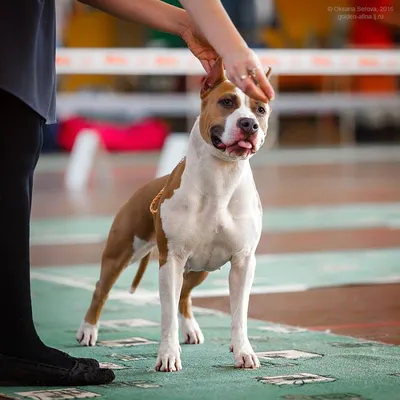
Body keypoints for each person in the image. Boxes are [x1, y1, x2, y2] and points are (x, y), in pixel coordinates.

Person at [0, 0, 274, 387]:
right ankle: (45, 330)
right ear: (207, 94)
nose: (245, 118)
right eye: (227, 104)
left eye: (258, 110)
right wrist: (227, 42)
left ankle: (11, 339)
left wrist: (184, 23)